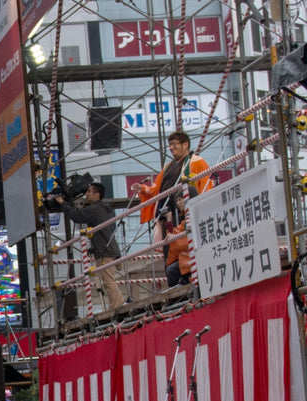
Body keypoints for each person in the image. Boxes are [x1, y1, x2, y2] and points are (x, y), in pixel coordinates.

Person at [134, 130, 213, 288]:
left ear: (186, 145)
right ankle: (175, 284)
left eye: (175, 144)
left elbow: (205, 187)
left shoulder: (196, 162)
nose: (171, 147)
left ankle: (188, 282)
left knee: (184, 247)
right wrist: (143, 188)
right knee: (170, 252)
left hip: (187, 216)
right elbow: (157, 189)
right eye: (170, 145)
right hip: (168, 217)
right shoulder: (168, 167)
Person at [45, 181, 125, 310]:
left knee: (108, 281)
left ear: (97, 195)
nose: (86, 194)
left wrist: (63, 203)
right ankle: (116, 304)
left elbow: (78, 216)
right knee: (109, 280)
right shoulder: (103, 209)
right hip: (109, 248)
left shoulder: (95, 209)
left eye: (89, 191)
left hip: (104, 250)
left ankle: (117, 306)